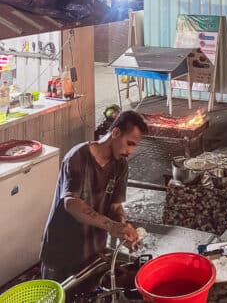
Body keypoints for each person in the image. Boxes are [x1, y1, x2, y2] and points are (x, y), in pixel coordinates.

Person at [40, 110, 148, 282]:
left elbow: (115, 206)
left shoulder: (120, 165)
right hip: (62, 250)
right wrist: (110, 226)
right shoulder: (78, 157)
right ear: (115, 133)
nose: (130, 151)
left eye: (134, 146)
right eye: (129, 143)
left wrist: (122, 228)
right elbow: (71, 203)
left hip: (93, 251)